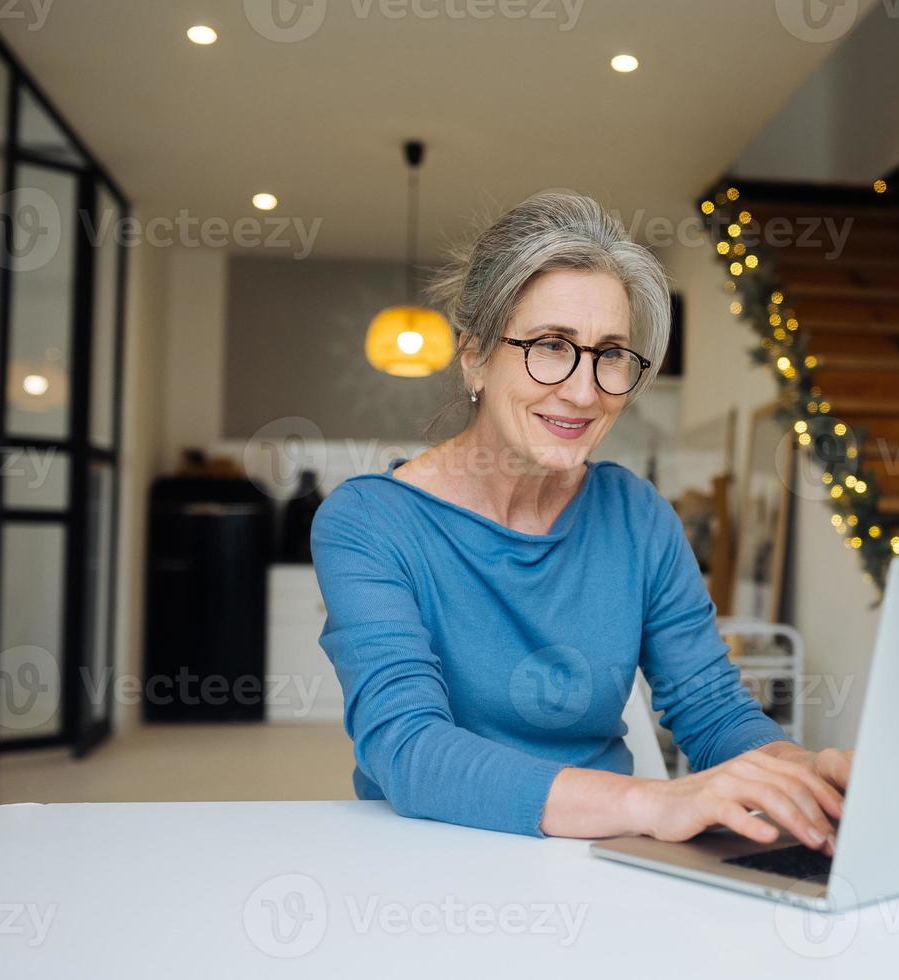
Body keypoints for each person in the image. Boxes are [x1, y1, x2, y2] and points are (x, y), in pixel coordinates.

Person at [311, 191, 848, 854]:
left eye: (610, 354)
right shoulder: (370, 520)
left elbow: (711, 711)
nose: (583, 390)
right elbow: (409, 748)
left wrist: (803, 776)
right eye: (549, 346)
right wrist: (652, 800)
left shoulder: (638, 517)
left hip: (596, 858)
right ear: (475, 355)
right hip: (432, 858)